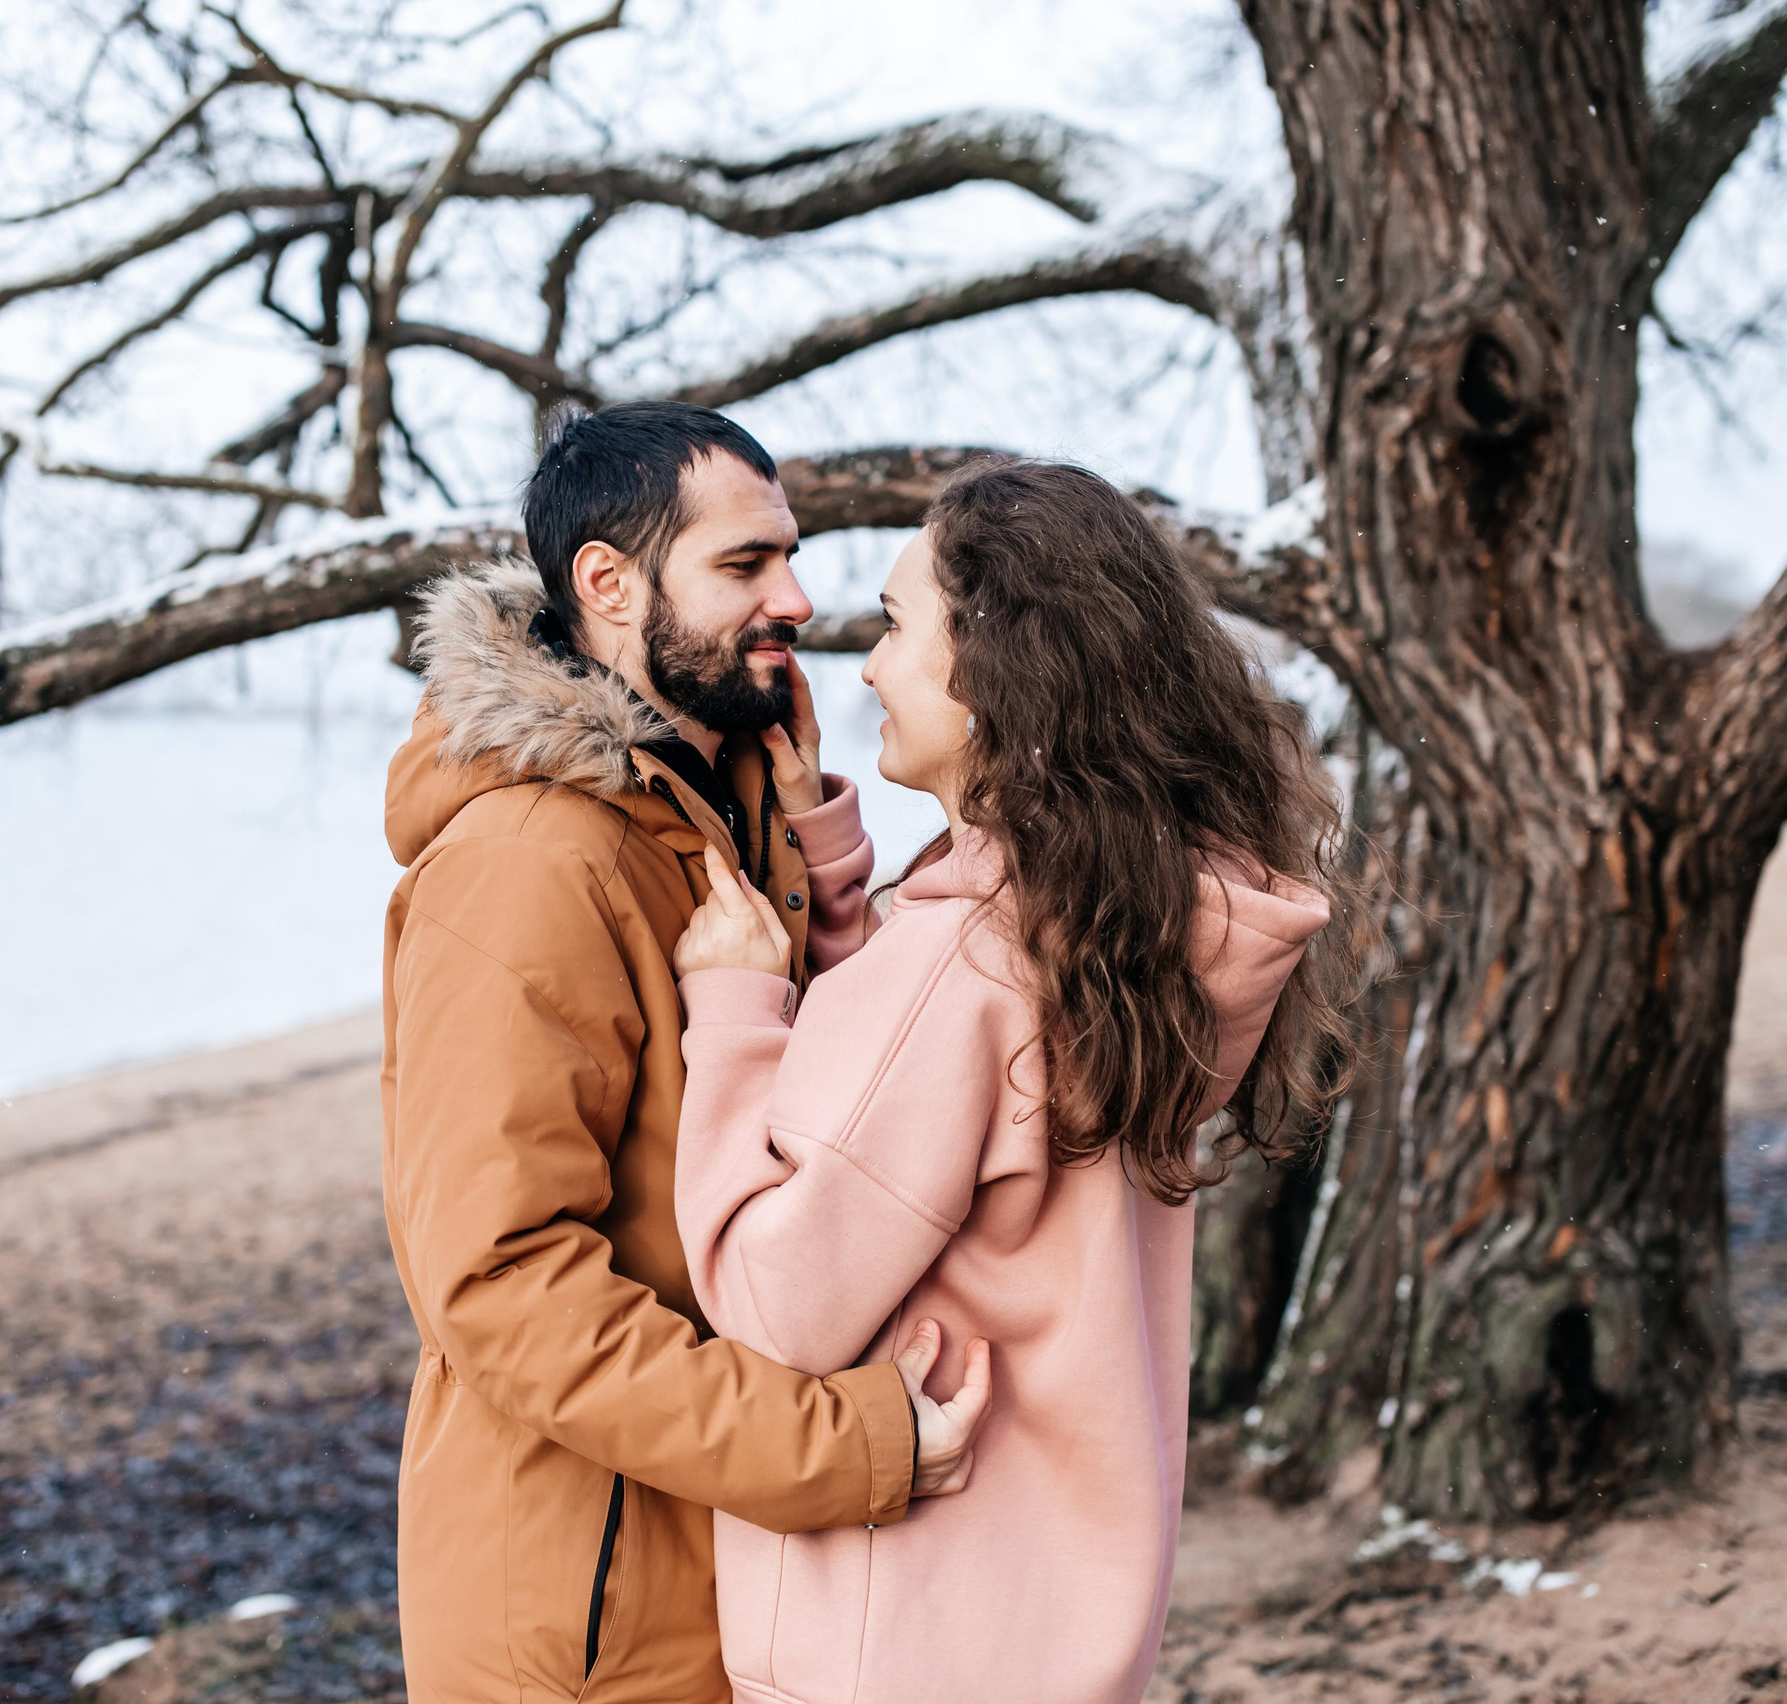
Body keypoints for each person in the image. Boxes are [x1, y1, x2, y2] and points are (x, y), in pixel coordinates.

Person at [671, 457, 1360, 1704]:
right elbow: (950, 1127)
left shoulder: (965, 964)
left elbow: (772, 1303)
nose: (868, 667)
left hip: (900, 1640)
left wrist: (728, 1012)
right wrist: (836, 883)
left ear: (993, 669)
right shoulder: (1131, 927)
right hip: (1055, 1617)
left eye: (893, 626)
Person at [379, 401, 992, 1704]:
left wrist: (823, 856)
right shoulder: (525, 865)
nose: (797, 597)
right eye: (745, 564)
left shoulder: (718, 807)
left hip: (726, 1563)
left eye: (792, 554)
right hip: (581, 1621)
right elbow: (503, 1288)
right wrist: (837, 1449)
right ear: (607, 585)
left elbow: (798, 1128)